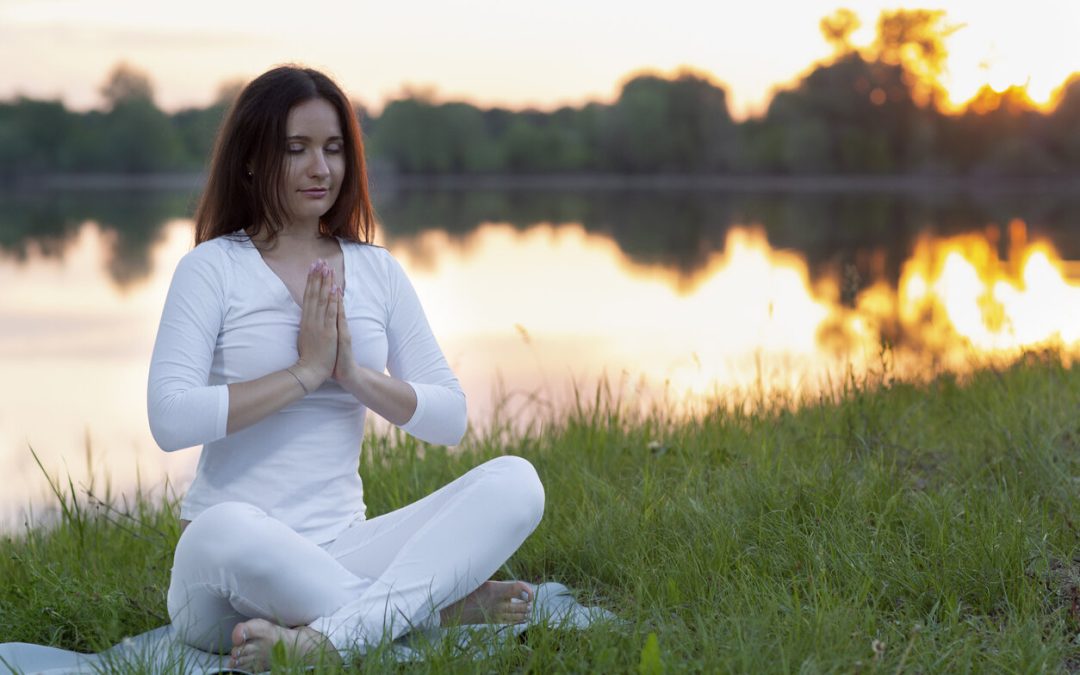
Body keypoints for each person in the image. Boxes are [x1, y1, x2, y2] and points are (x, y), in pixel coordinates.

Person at [147, 65, 545, 671]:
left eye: (333, 149)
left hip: (342, 551)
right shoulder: (212, 268)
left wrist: (353, 376)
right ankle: (429, 609)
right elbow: (170, 419)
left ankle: (331, 639)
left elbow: (450, 418)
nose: (321, 168)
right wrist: (304, 374)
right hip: (224, 575)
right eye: (296, 149)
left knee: (518, 482)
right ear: (252, 159)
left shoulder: (377, 271)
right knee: (221, 528)